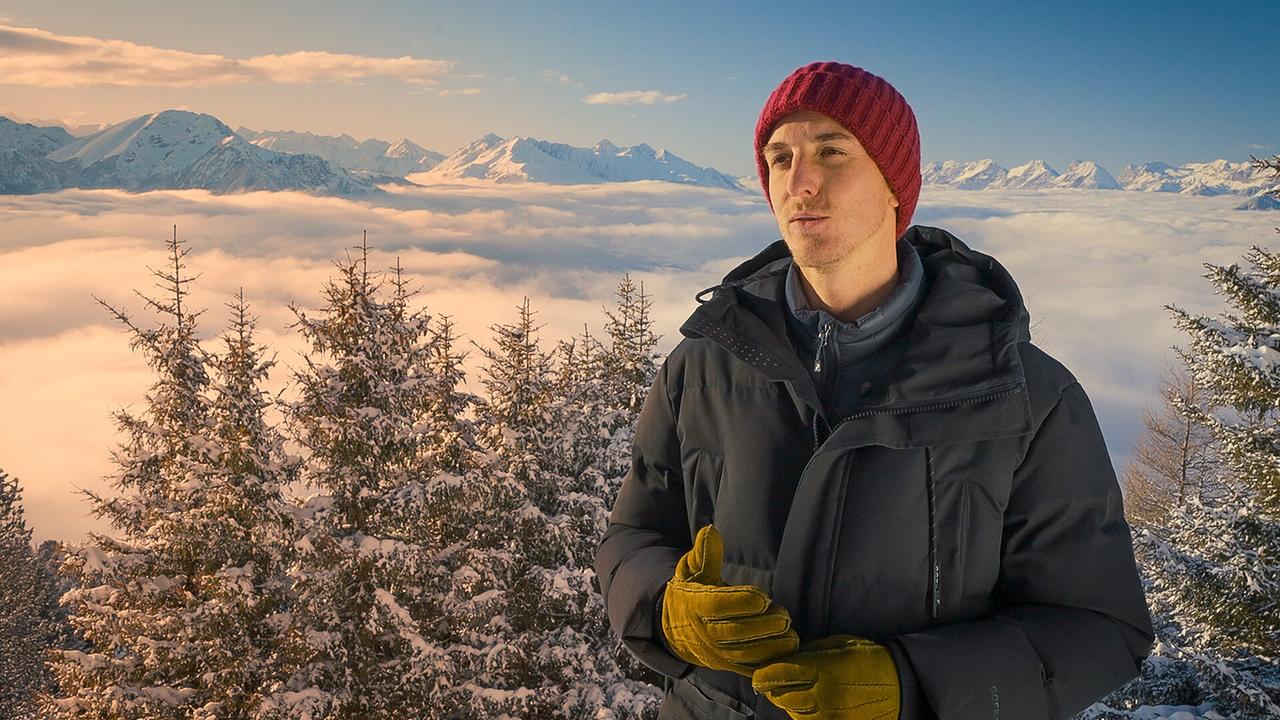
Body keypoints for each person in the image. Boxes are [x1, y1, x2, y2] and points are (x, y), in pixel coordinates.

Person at [594, 61, 1155, 720]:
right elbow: (634, 535)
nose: (799, 182)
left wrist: (911, 684)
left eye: (832, 152)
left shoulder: (1029, 398)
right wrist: (666, 610)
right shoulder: (700, 368)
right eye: (780, 159)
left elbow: (1098, 626)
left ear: (895, 185)